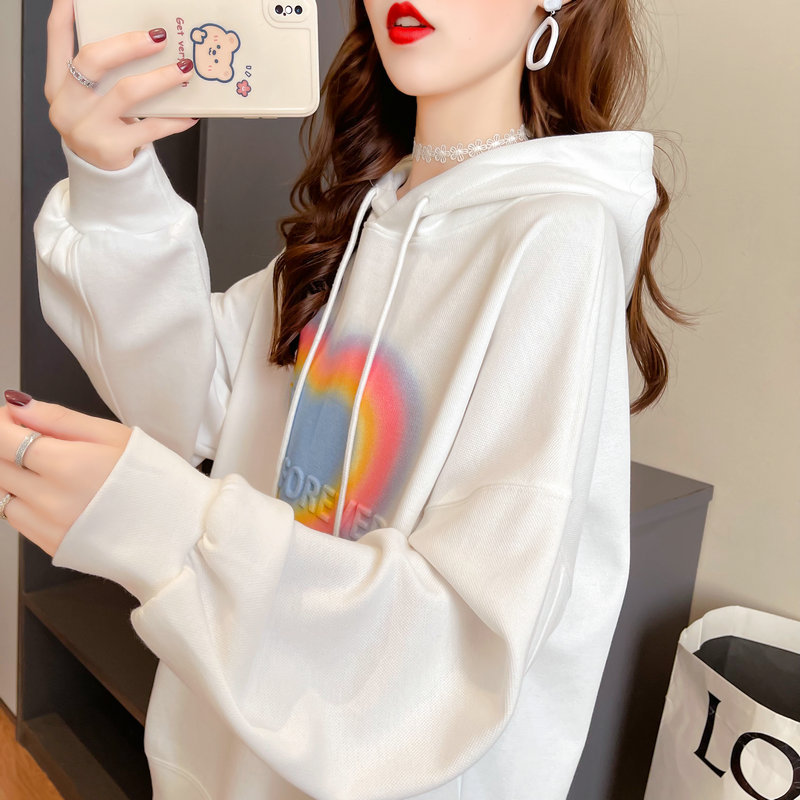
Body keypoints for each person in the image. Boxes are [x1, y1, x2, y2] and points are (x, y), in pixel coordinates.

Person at [1, 0, 690, 797]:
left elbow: (455, 653)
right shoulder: (369, 212)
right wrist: (111, 174)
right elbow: (191, 397)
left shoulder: (557, 238)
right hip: (222, 760)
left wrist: (160, 525)